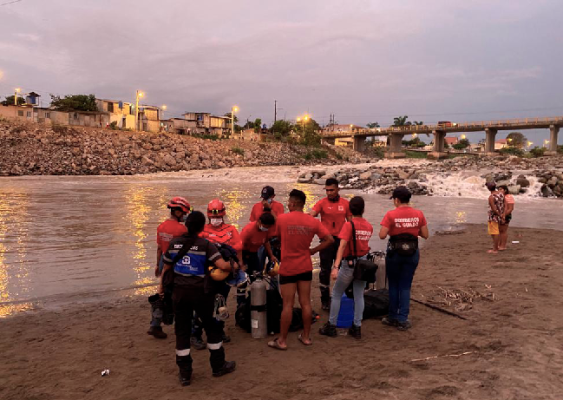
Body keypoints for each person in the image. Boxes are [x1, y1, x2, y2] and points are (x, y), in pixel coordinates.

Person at [160, 211, 236, 386]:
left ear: (187, 225)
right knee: (212, 329)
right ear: (202, 227)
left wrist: (161, 289)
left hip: (179, 295)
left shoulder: (174, 244)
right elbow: (222, 265)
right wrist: (235, 265)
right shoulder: (206, 245)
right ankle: (218, 366)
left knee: (182, 332)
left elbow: (166, 269)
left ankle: (185, 374)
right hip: (201, 293)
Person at [268, 189, 333, 350]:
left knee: (287, 305)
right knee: (305, 302)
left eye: (289, 202)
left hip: (288, 267)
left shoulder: (282, 219)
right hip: (305, 265)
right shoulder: (312, 221)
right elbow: (329, 239)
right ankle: (305, 337)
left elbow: (277, 238)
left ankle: (282, 341)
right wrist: (314, 250)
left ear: (295, 203)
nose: (288, 204)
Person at [319, 196, 373, 339]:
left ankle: (331, 325)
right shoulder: (368, 226)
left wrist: (335, 267)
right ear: (363, 209)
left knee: (336, 293)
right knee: (358, 295)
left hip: (349, 264)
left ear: (350, 210)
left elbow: (342, 246)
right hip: (362, 264)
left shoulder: (349, 225)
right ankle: (357, 326)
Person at [379, 186, 429, 331]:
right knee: (405, 285)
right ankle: (403, 318)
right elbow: (425, 234)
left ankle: (392, 316)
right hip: (412, 253)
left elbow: (382, 235)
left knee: (394, 285)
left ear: (397, 200)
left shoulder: (390, 215)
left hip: (394, 253)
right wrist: (411, 229)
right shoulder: (419, 214)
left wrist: (397, 229)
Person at [196, 199, 242, 345]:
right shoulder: (202, 231)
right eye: (213, 216)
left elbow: (238, 248)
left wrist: (240, 265)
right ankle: (196, 333)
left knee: (221, 302)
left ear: (223, 214)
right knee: (203, 304)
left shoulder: (231, 230)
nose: (215, 219)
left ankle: (218, 330)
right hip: (207, 274)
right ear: (208, 216)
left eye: (218, 216)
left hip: (226, 273)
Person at [147, 197, 190, 339]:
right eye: (183, 213)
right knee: (179, 295)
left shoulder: (161, 226)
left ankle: (155, 324)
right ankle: (181, 327)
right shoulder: (182, 229)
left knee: (161, 294)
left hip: (163, 261)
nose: (184, 216)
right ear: (178, 212)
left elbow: (159, 248)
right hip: (176, 264)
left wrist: (157, 265)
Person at [310, 178, 351, 310]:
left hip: (341, 241)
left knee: (344, 269)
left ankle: (343, 296)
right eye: (327, 190)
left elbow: (351, 223)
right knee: (324, 271)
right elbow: (311, 216)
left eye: (331, 190)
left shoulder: (345, 203)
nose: (329, 193)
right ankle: (325, 300)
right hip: (326, 241)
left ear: (338, 189)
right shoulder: (321, 203)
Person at [240, 213, 277, 279]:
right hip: (244, 253)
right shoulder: (248, 230)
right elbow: (239, 247)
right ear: (259, 222)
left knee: (258, 273)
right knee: (245, 275)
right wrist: (241, 263)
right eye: (265, 226)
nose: (266, 228)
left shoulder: (266, 231)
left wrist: (271, 256)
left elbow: (266, 242)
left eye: (268, 227)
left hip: (254, 252)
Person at [486, 182, 505, 254]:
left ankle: (495, 249)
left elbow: (494, 209)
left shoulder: (491, 197)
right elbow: (505, 203)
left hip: (494, 216)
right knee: (496, 232)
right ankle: (496, 246)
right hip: (500, 213)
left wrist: (500, 215)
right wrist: (503, 214)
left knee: (494, 233)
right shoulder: (501, 194)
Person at [498, 185, 515, 250]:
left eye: (501, 189)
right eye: (499, 189)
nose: (499, 191)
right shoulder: (499, 197)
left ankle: (503, 245)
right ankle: (499, 244)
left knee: (503, 231)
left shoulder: (509, 197)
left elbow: (510, 209)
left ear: (505, 190)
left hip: (506, 215)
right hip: (499, 214)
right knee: (498, 230)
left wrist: (504, 215)